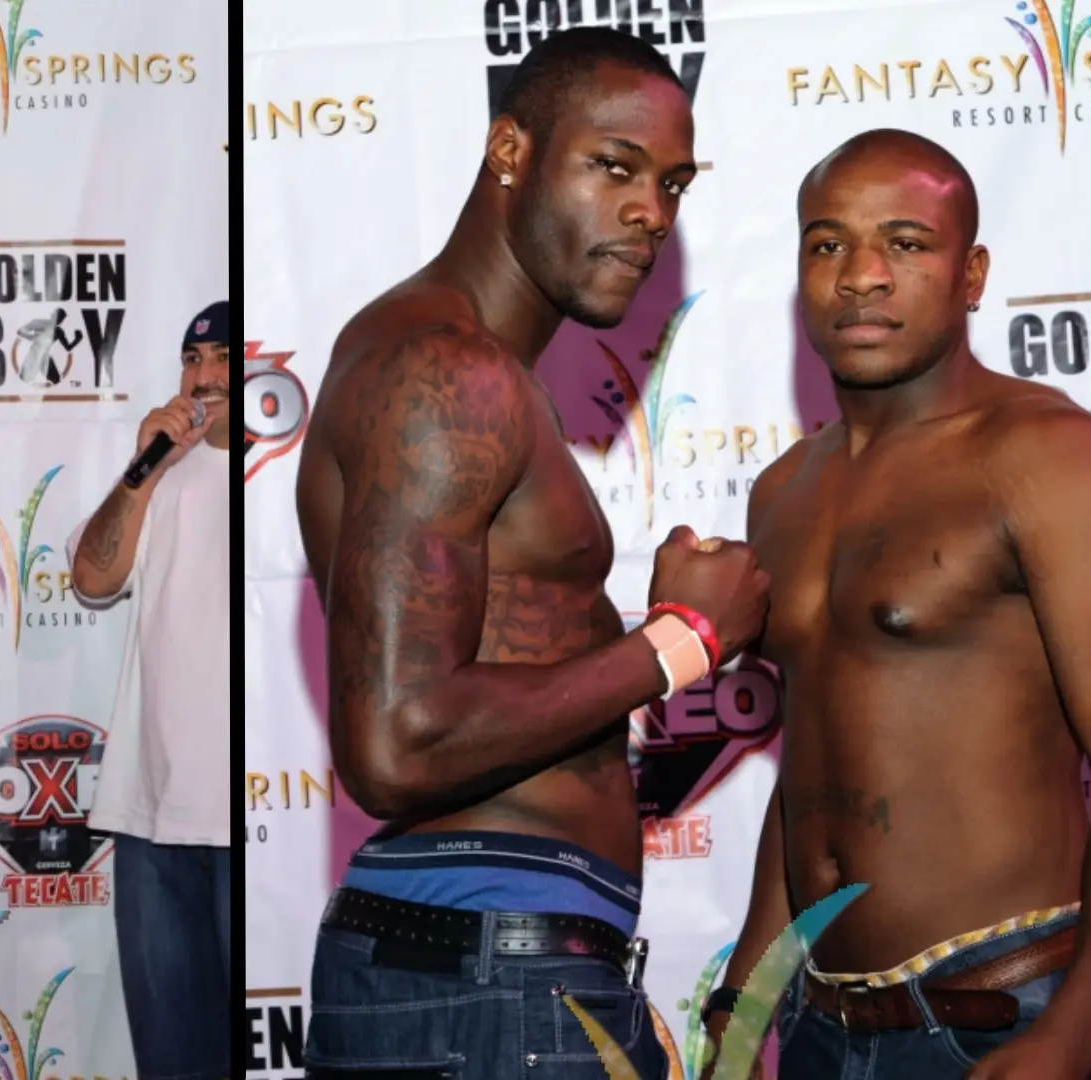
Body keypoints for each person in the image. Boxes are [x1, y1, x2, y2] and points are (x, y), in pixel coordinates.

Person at [291, 27, 770, 1079]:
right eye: (614, 165)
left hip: (480, 969)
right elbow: (397, 745)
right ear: (510, 149)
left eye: (673, 183)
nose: (652, 210)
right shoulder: (446, 369)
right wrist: (682, 644)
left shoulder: (461, 364)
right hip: (490, 976)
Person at [700, 128, 1091, 1080]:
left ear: (971, 275)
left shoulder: (1050, 458)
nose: (862, 275)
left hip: (1005, 1016)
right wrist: (742, 1002)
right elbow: (812, 763)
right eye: (827, 243)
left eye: (906, 242)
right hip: (818, 1026)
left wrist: (1077, 1030)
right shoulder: (781, 493)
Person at [65, 299, 231, 1080]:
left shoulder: (287, 469)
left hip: (247, 822)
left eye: (222, 358)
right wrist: (142, 471)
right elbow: (92, 579)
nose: (203, 378)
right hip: (148, 818)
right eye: (191, 362)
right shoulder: (159, 476)